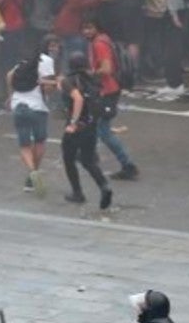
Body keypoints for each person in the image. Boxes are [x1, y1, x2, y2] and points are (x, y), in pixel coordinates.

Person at [82, 20, 139, 181]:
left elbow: (106, 69)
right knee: (95, 125)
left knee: (104, 131)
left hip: (106, 91)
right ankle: (92, 156)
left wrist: (89, 74)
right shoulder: (104, 39)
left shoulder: (99, 44)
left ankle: (128, 165)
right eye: (84, 28)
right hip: (108, 90)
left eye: (89, 28)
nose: (86, 31)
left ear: (97, 28)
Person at [59, 53, 113, 209]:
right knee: (88, 160)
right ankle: (104, 186)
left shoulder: (69, 81)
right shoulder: (93, 80)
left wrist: (73, 123)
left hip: (76, 127)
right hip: (91, 126)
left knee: (69, 159)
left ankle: (77, 193)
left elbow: (78, 99)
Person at [8, 36, 58, 193]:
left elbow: (9, 76)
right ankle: (33, 173)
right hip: (38, 107)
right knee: (39, 141)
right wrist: (54, 85)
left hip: (19, 106)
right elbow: (48, 88)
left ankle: (31, 173)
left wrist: (10, 97)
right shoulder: (46, 61)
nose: (56, 49)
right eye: (54, 46)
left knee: (24, 145)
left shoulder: (23, 61)